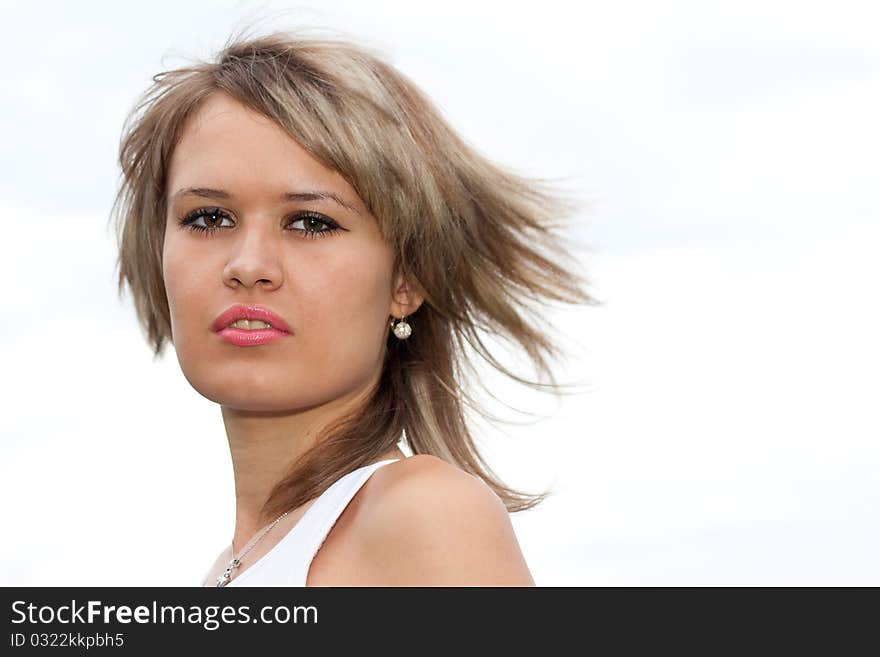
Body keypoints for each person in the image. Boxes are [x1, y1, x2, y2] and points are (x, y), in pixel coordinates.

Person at [111, 26, 597, 586]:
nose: (248, 264)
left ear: (406, 280)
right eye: (209, 218)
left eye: (310, 222)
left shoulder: (424, 515)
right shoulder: (232, 566)